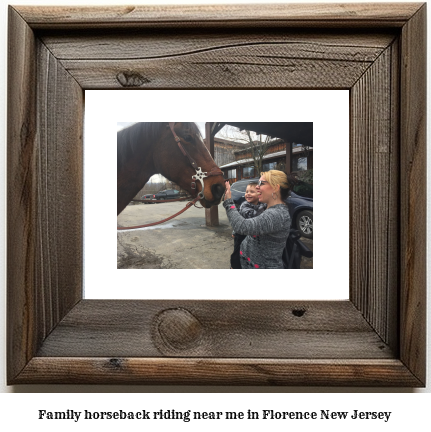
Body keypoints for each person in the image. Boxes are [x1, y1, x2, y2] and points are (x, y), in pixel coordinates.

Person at [223, 170, 291, 269]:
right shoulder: (266, 207)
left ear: (275, 188)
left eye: (261, 183)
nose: (257, 186)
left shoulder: (277, 214)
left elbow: (242, 226)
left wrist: (229, 202)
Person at [230, 181, 267, 269]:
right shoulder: (244, 205)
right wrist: (235, 231)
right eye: (247, 191)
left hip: (252, 236)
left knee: (249, 254)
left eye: (252, 192)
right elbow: (251, 217)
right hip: (241, 234)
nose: (248, 194)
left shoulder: (262, 204)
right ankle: (234, 267)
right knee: (237, 253)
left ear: (259, 194)